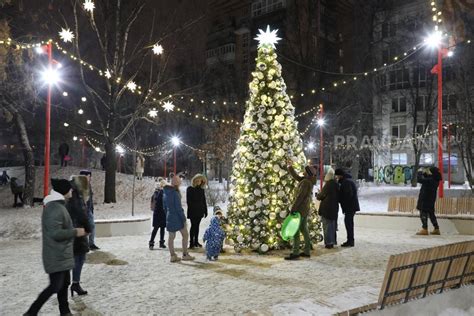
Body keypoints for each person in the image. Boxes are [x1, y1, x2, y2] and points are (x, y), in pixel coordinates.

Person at [24, 178, 86, 316]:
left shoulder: (59, 206)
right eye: (69, 189)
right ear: (64, 191)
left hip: (61, 254)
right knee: (54, 286)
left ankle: (65, 312)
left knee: (63, 285)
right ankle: (31, 312)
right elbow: (55, 233)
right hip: (56, 255)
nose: (71, 191)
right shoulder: (54, 208)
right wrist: (76, 231)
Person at [66, 175, 92, 297]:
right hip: (78, 230)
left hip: (75, 228)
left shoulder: (73, 193)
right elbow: (81, 212)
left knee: (79, 257)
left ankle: (75, 283)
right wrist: (88, 227)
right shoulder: (77, 196)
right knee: (79, 257)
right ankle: (75, 283)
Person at [285, 162, 317, 260]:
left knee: (295, 230)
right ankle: (307, 251)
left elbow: (300, 197)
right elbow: (296, 177)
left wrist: (293, 208)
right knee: (304, 229)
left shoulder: (305, 183)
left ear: (307, 173)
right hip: (305, 209)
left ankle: (295, 252)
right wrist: (290, 167)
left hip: (300, 209)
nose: (303, 172)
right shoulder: (307, 180)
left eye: (305, 170)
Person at [163, 175, 195, 262]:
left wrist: (168, 215)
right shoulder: (175, 193)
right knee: (185, 235)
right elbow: (178, 208)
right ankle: (185, 254)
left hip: (169, 216)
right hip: (177, 217)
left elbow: (164, 207)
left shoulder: (165, 192)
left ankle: (172, 256)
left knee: (171, 237)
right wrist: (183, 219)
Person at [334, 168, 360, 247]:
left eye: (337, 176)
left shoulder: (346, 182)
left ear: (340, 175)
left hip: (350, 207)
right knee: (349, 223)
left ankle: (350, 241)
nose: (336, 177)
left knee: (348, 224)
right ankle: (350, 240)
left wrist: (340, 199)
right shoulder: (347, 181)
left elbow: (348, 195)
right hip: (351, 206)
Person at [317, 168, 339, 249]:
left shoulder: (328, 185)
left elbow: (321, 195)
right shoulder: (336, 184)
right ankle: (332, 241)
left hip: (326, 208)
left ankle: (328, 242)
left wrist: (318, 195)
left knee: (327, 225)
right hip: (334, 208)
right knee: (332, 225)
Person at [416, 167, 442, 235]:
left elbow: (420, 180)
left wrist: (419, 172)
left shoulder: (430, 180)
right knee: (431, 214)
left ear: (432, 173)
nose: (429, 173)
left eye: (430, 171)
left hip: (425, 199)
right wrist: (425, 173)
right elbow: (427, 178)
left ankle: (425, 229)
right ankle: (436, 228)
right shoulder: (435, 179)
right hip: (431, 199)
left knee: (423, 213)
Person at [79, 170, 100, 250]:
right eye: (88, 176)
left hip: (88, 210)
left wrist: (91, 209)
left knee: (91, 226)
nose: (90, 178)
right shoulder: (80, 186)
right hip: (84, 210)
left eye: (89, 176)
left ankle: (90, 243)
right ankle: (87, 244)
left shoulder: (88, 185)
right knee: (88, 227)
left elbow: (90, 199)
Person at [186, 174, 208, 248]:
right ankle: (191, 242)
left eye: (200, 181)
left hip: (200, 211)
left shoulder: (201, 190)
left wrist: (205, 210)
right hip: (193, 211)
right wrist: (195, 207)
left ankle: (196, 242)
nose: (199, 182)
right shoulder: (190, 189)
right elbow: (189, 201)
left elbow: (203, 201)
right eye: (198, 180)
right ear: (194, 180)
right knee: (193, 226)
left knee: (197, 226)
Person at [149, 178, 167, 249]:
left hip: (159, 213)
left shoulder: (159, 193)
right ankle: (152, 242)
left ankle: (160, 242)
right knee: (156, 228)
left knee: (161, 228)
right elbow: (159, 203)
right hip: (159, 213)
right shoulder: (159, 193)